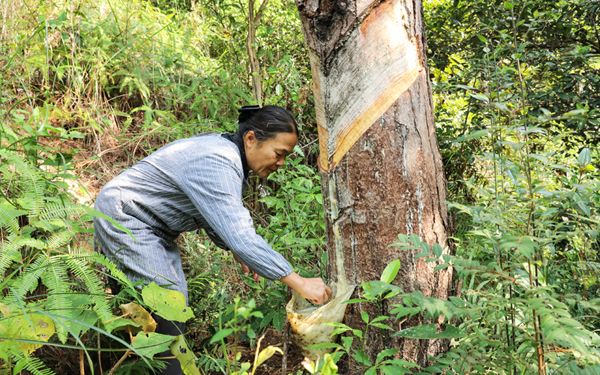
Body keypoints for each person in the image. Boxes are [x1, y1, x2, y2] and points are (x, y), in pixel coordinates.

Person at [93, 105, 332, 374]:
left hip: (147, 224)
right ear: (251, 139)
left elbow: (212, 212)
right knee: (167, 304)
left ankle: (130, 363)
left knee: (153, 306)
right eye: (279, 154)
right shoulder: (217, 160)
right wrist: (300, 283)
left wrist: (235, 249)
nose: (281, 163)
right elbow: (240, 235)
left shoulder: (226, 155)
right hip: (127, 217)